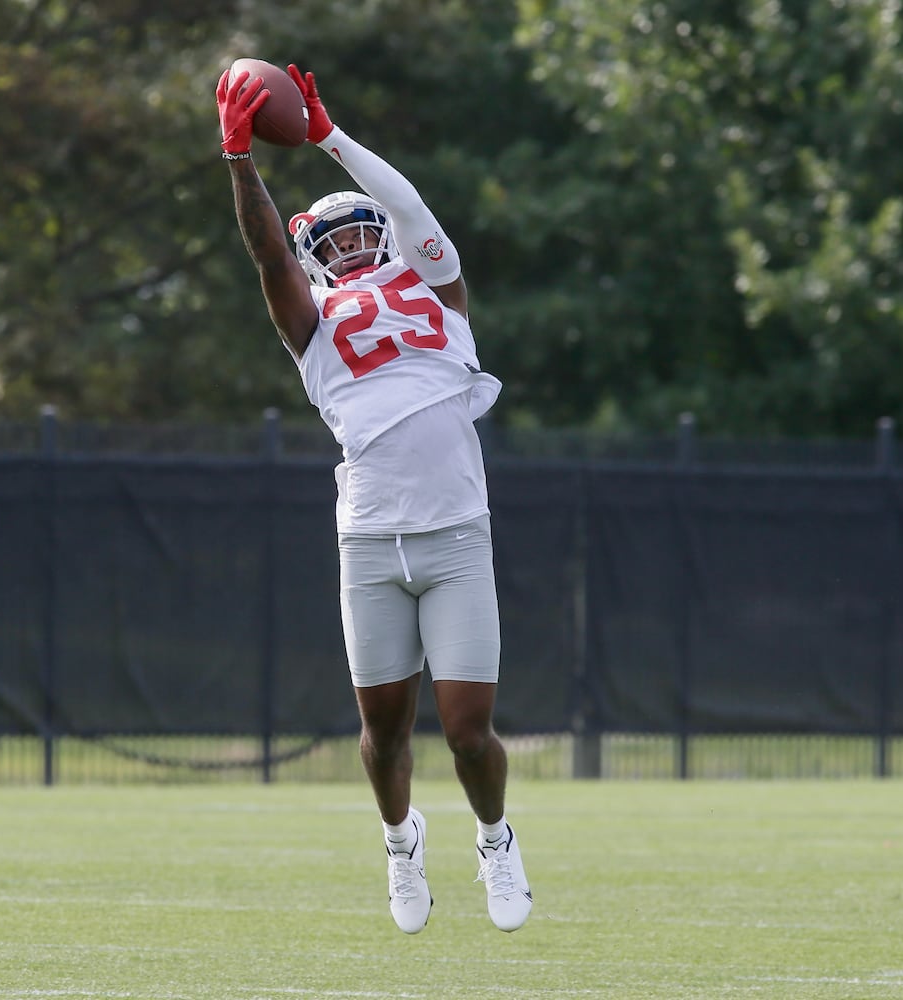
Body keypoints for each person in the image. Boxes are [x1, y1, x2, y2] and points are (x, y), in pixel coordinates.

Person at [214, 63, 532, 935]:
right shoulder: (311, 330)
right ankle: (400, 844)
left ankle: (495, 839)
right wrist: (242, 161)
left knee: (469, 732)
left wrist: (326, 135)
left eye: (364, 233)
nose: (352, 246)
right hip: (371, 542)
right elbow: (270, 250)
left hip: (457, 534)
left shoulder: (438, 293)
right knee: (383, 733)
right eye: (336, 240)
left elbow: (414, 207)